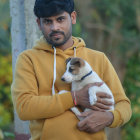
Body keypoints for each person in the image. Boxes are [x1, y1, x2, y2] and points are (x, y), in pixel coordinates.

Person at [11, 0, 132, 140]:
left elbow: (123, 104)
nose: (55, 27)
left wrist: (110, 117)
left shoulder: (98, 58)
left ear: (73, 17)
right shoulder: (28, 59)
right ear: (39, 23)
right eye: (47, 22)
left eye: (60, 19)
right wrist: (75, 98)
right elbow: (24, 108)